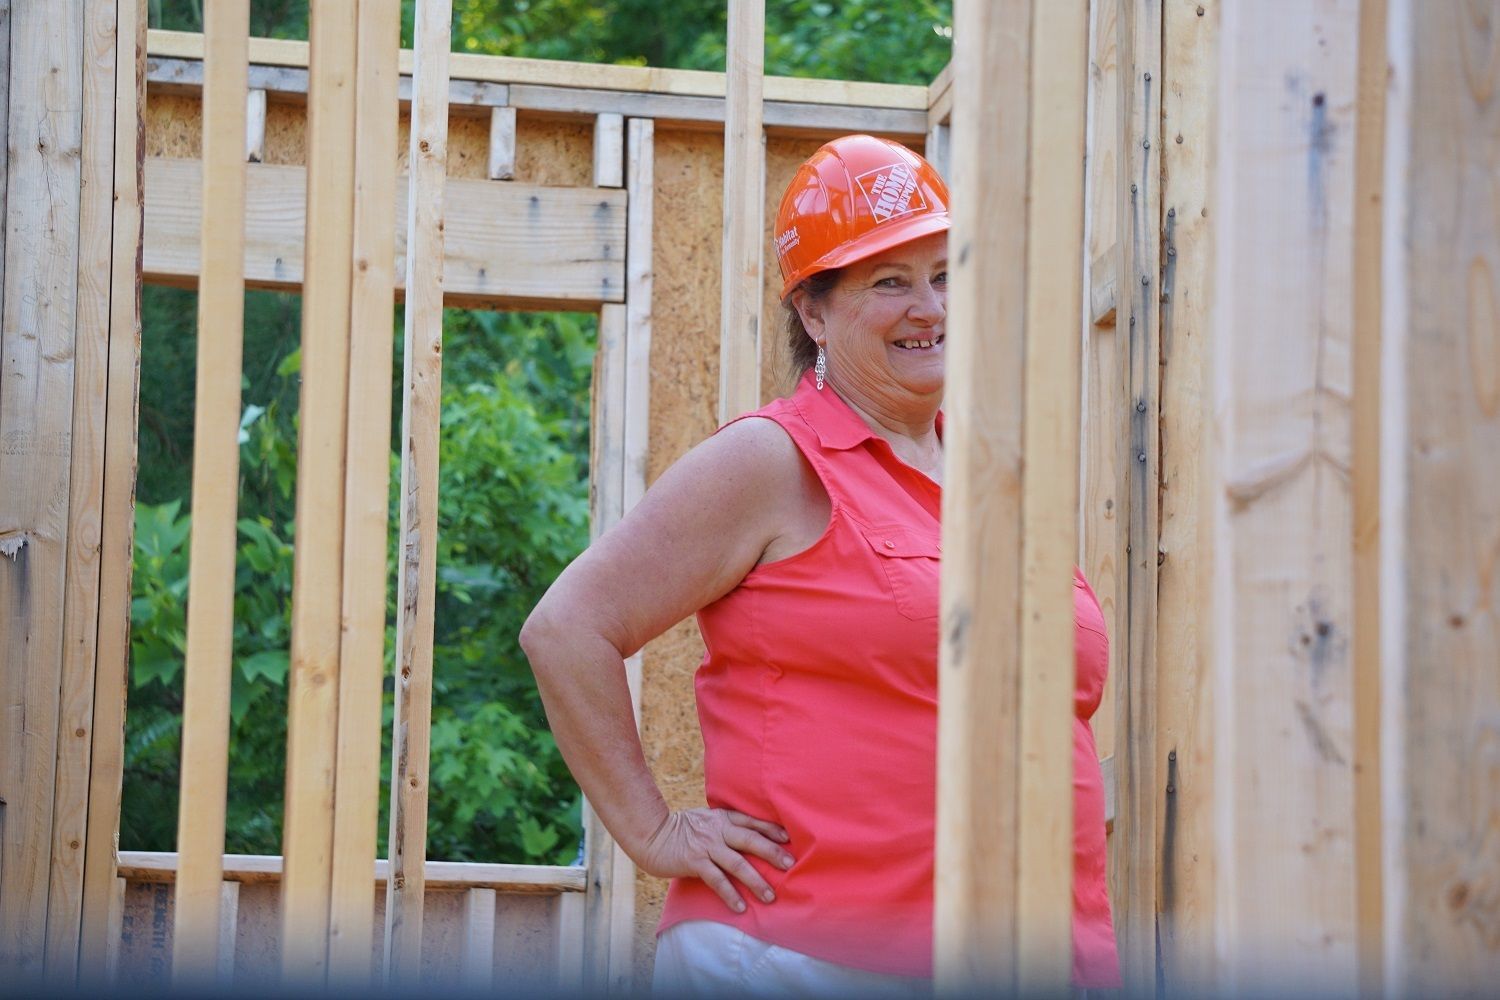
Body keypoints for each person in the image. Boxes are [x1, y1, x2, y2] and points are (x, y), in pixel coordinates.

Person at [520, 134, 1120, 994]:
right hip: (801, 960)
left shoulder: (998, 481)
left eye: (945, 274)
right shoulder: (774, 461)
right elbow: (567, 628)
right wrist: (654, 833)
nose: (929, 306)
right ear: (813, 313)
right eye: (889, 281)